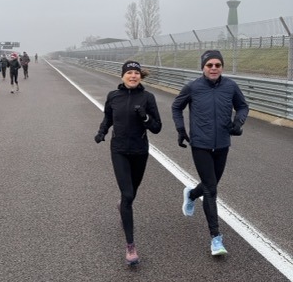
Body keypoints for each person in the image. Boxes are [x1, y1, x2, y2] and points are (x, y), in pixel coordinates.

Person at [171, 49, 249, 256]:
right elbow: (176, 107)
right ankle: (216, 238)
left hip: (222, 144)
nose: (214, 68)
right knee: (211, 190)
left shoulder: (230, 86)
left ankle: (191, 194)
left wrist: (238, 122)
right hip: (200, 145)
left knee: (210, 184)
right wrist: (181, 129)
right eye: (209, 65)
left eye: (217, 65)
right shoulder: (192, 87)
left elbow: (243, 107)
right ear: (203, 67)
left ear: (222, 67)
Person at [94, 61, 162, 265]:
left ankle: (123, 205)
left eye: (136, 73)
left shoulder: (148, 97)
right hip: (119, 150)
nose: (133, 76)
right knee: (128, 194)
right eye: (129, 72)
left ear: (140, 76)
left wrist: (145, 117)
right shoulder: (113, 96)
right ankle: (130, 246)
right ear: (122, 75)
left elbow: (157, 127)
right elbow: (108, 118)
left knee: (132, 194)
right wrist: (102, 132)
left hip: (140, 151)